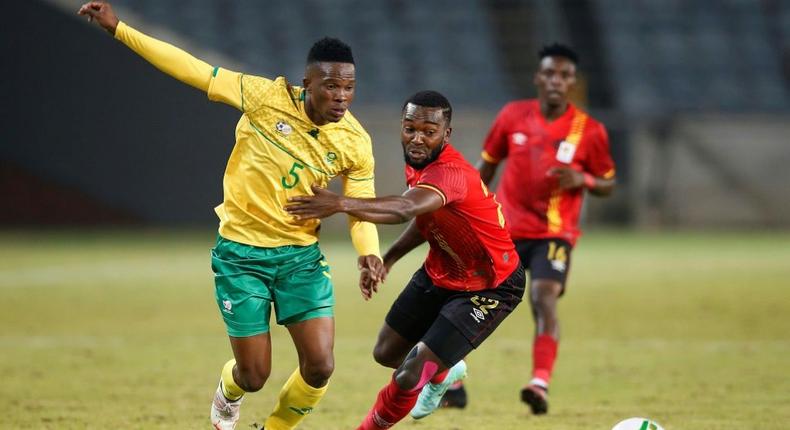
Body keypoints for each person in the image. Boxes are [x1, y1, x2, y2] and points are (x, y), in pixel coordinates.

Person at [78, 3, 383, 429]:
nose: (341, 97)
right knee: (254, 375)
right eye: (331, 86)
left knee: (321, 366)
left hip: (299, 258)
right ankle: (229, 392)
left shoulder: (355, 141)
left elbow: (359, 202)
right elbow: (193, 69)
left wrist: (368, 252)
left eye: (349, 88)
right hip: (241, 257)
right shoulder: (264, 98)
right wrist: (120, 30)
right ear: (306, 83)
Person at [285, 90, 526, 429]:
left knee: (409, 375)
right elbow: (425, 220)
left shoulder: (449, 173)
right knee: (386, 353)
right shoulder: (419, 164)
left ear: (446, 134)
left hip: (491, 285)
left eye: (429, 131)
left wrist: (341, 204)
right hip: (440, 271)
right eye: (410, 127)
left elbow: (405, 208)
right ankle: (445, 372)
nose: (417, 138)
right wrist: (390, 257)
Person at [442, 43, 616, 415]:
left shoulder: (590, 131)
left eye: (565, 75)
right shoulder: (512, 116)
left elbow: (608, 183)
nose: (556, 81)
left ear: (573, 82)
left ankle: (539, 382)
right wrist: (460, 203)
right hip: (503, 230)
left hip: (554, 234)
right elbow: (485, 167)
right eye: (550, 73)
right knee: (468, 299)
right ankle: (452, 382)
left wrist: (582, 178)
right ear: (538, 77)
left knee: (543, 298)